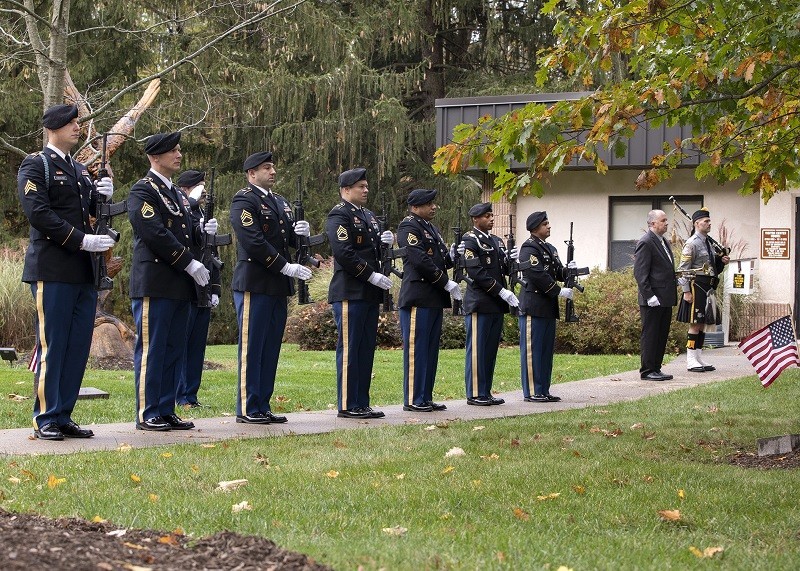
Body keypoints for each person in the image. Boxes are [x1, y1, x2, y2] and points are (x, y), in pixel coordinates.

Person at [17, 103, 115, 440]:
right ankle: (45, 416)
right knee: (54, 343)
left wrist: (102, 195)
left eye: (77, 122)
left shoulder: (78, 170)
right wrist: (81, 240)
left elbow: (89, 211)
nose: (77, 127)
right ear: (53, 128)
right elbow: (39, 214)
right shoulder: (36, 165)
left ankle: (63, 413)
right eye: (71, 123)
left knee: (76, 346)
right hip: (53, 267)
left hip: (82, 271)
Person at [128, 132, 218, 431]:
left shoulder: (177, 194)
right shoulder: (144, 190)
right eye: (172, 151)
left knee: (173, 348)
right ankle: (148, 411)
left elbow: (187, 233)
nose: (179, 155)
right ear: (155, 157)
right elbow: (154, 232)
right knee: (153, 348)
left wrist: (203, 229)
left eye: (179, 149)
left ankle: (166, 408)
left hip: (179, 283)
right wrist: (189, 262)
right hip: (156, 280)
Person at [229, 152, 312, 424]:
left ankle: (262, 404)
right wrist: (284, 266)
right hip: (255, 282)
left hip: (277, 285)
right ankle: (248, 407)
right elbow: (253, 241)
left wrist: (301, 234)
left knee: (270, 348)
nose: (273, 171)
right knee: (253, 347)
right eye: (267, 168)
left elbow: (288, 239)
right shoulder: (244, 199)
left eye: (273, 167)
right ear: (252, 173)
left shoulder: (280, 202)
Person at [326, 167, 395, 419]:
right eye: (360, 187)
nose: (366, 190)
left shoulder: (368, 216)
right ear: (346, 190)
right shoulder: (339, 215)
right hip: (350, 291)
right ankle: (347, 404)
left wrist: (385, 242)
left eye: (366, 186)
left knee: (365, 349)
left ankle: (361, 402)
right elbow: (344, 253)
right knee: (351, 348)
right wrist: (371, 275)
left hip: (368, 293)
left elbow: (371, 249)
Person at [396, 188, 462, 412]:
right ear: (415, 207)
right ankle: (414, 398)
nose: (434, 206)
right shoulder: (408, 226)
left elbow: (441, 259)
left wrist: (452, 256)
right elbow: (419, 259)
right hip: (418, 296)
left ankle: (425, 396)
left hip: (433, 297)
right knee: (417, 349)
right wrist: (445, 281)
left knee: (431, 350)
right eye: (429, 203)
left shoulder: (431, 228)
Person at [461, 202, 518, 405]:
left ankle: (485, 391)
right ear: (476, 219)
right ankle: (475, 393)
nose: (491, 219)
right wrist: (501, 291)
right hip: (480, 302)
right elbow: (476, 272)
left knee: (490, 350)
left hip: (495, 304)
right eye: (487, 216)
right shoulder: (470, 240)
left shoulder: (495, 240)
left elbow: (503, 268)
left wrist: (512, 260)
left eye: (492, 215)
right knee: (477, 349)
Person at [518, 211, 575, 403]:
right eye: (545, 224)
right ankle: (533, 391)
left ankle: (544, 389)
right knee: (533, 351)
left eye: (548, 223)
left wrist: (569, 270)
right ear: (535, 228)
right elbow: (536, 274)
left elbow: (556, 271)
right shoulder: (528, 248)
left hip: (547, 307)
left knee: (545, 351)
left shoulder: (549, 248)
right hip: (533, 306)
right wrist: (558, 291)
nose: (549, 226)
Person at [175, 169, 220, 408]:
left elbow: (213, 254)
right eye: (198, 187)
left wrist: (215, 289)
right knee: (182, 343)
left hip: (203, 285)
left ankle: (190, 394)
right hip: (186, 283)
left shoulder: (203, 213)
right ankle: (180, 394)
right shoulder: (183, 209)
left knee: (196, 347)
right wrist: (191, 203)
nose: (203, 192)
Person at [676, 207, 729, 372]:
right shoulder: (691, 243)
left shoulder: (708, 243)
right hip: (696, 286)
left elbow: (713, 269)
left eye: (709, 221)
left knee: (703, 324)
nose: (709, 223)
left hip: (708, 287)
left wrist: (721, 261)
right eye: (706, 221)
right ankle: (690, 360)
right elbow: (682, 269)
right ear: (697, 223)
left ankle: (698, 357)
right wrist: (686, 291)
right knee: (695, 324)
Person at [633, 210, 678, 381]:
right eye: (663, 220)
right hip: (653, 298)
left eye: (666, 220)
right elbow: (640, 273)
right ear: (653, 224)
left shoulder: (663, 241)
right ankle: (647, 370)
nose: (667, 223)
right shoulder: (646, 242)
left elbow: (663, 268)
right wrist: (649, 295)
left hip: (665, 296)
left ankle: (656, 368)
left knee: (661, 334)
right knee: (651, 334)